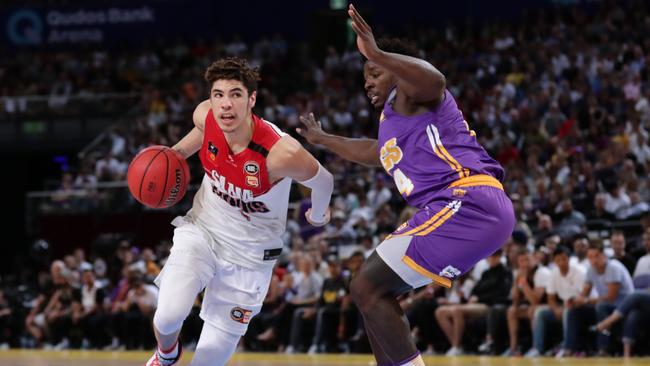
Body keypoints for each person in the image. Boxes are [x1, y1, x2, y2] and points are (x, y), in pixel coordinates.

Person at [297, 5, 514, 365]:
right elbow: (374, 152)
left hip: (469, 201)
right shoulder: (392, 121)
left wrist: (380, 53)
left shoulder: (414, 96)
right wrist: (323, 139)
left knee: (366, 284)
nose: (367, 81)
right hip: (459, 210)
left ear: (398, 73)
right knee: (371, 294)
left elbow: (435, 80)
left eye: (375, 72)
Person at [145, 57, 334, 366]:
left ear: (252, 99)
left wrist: (318, 213)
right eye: (218, 94)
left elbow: (324, 179)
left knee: (207, 361)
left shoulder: (281, 154)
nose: (226, 105)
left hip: (251, 255)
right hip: (204, 229)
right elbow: (200, 132)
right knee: (167, 317)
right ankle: (167, 354)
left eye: (235, 94)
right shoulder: (205, 115)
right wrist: (175, 156)